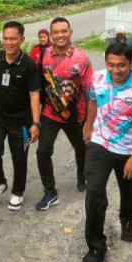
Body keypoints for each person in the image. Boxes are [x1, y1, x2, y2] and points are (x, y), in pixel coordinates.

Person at [81, 41, 132, 262]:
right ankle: (96, 246)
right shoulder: (98, 78)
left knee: (129, 191)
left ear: (131, 62)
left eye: (121, 65)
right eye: (111, 64)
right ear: (105, 62)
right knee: (94, 191)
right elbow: (93, 101)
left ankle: (128, 220)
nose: (116, 70)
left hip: (129, 149)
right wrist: (88, 124)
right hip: (100, 143)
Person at [0, 21, 41, 210]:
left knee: (19, 158)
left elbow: (34, 94)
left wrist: (35, 123)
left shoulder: (29, 65)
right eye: (5, 38)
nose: (8, 42)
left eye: (13, 38)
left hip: (21, 122)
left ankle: (17, 192)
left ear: (22, 39)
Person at [35, 16, 94, 211]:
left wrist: (89, 123)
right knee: (42, 151)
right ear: (51, 34)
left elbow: (90, 92)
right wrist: (34, 118)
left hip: (76, 116)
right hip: (50, 113)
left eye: (64, 31)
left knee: (81, 148)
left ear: (70, 33)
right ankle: (50, 192)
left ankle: (82, 175)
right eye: (56, 32)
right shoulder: (44, 55)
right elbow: (38, 86)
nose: (60, 35)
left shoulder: (81, 58)